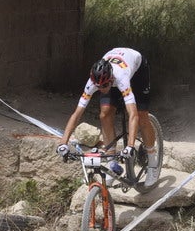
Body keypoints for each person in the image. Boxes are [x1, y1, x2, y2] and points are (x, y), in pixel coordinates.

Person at [56, 47, 160, 188]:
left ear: (111, 79)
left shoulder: (121, 77)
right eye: (99, 86)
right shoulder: (95, 82)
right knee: (104, 114)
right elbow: (77, 114)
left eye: (105, 85)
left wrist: (130, 146)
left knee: (141, 116)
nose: (102, 89)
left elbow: (133, 115)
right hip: (112, 70)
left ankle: (153, 162)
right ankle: (112, 162)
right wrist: (63, 142)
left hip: (137, 69)